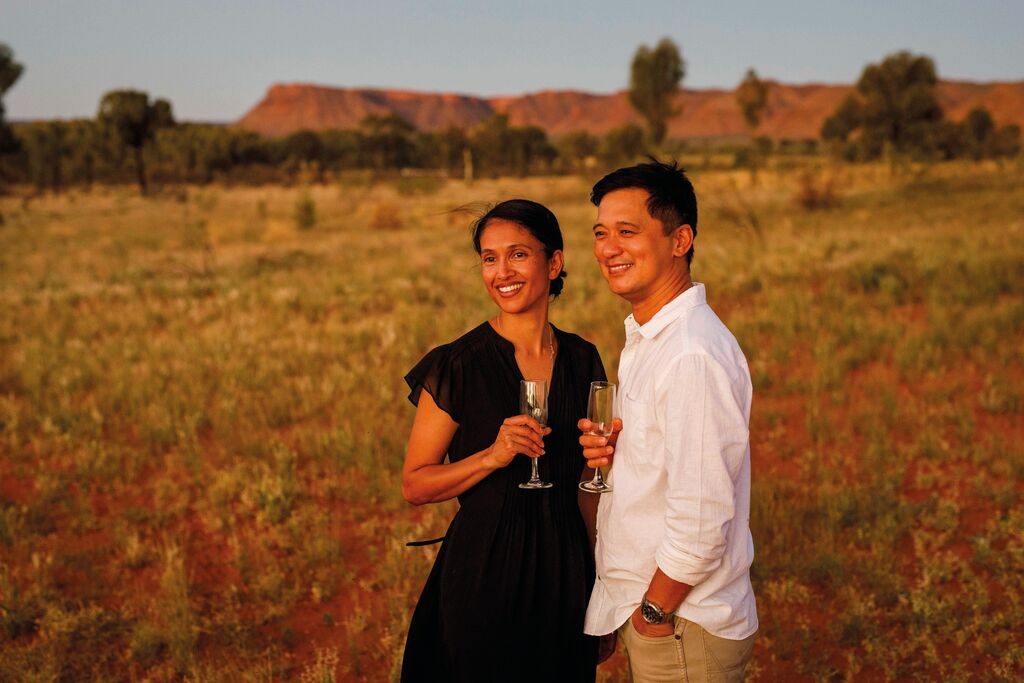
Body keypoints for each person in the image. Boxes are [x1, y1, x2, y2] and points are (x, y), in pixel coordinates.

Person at [400, 199, 606, 682]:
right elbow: (416, 485)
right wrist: (491, 457)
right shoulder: (458, 364)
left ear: (553, 262)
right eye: (490, 258)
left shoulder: (583, 358)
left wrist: (601, 583)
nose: (501, 272)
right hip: (487, 569)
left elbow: (588, 483)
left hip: (566, 570)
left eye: (517, 254)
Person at [578, 160, 758, 682]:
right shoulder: (650, 337)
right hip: (668, 617)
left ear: (680, 240)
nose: (608, 249)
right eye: (601, 233)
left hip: (680, 623)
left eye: (628, 232)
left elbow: (702, 520)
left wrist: (652, 614)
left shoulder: (690, 353)